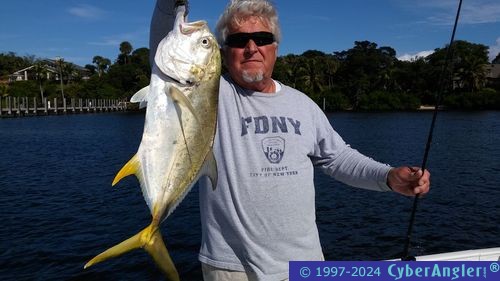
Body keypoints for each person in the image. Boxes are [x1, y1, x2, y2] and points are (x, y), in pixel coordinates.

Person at [150, 1, 431, 280]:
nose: (251, 48)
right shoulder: (207, 94)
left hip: (306, 263)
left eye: (262, 38)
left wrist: (388, 176)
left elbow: (337, 157)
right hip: (232, 268)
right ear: (224, 52)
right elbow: (165, 48)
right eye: (238, 40)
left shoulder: (303, 104)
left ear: (275, 48)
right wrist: (170, 5)